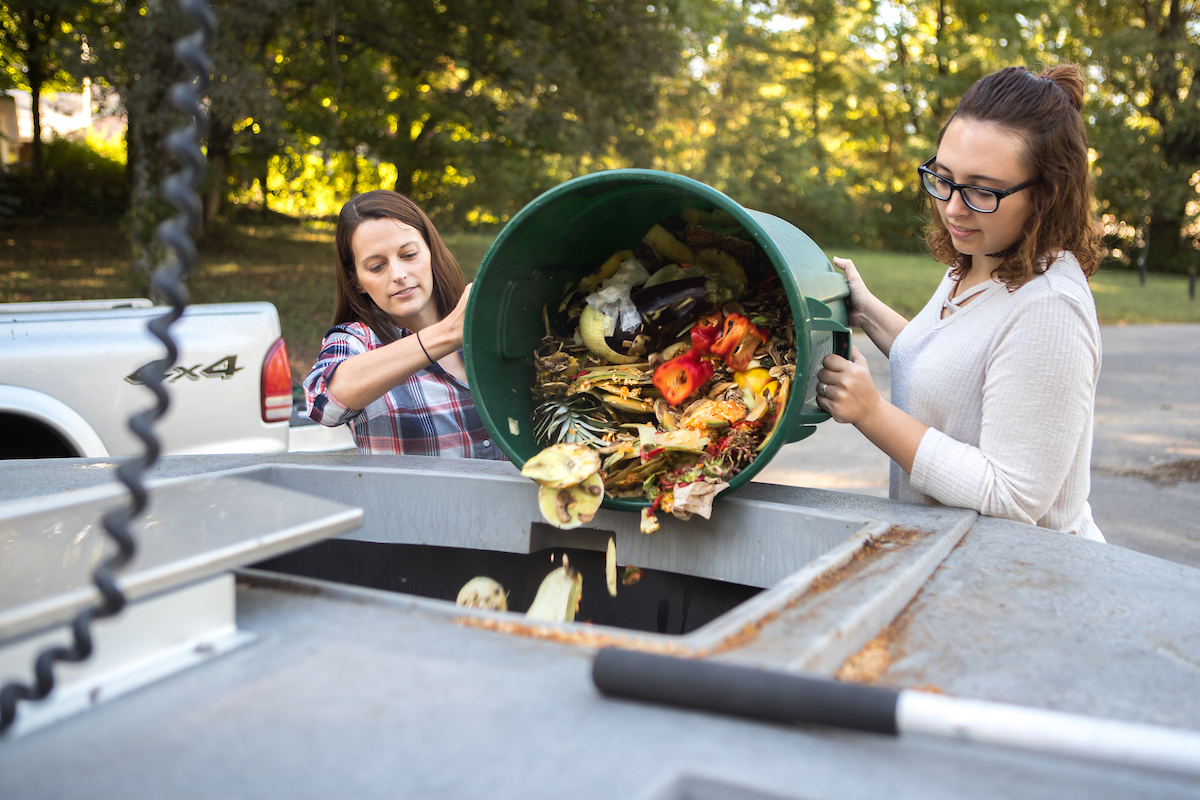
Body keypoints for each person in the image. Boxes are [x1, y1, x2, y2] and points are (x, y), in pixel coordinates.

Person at [816, 64, 1104, 541]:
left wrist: (871, 412)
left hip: (1026, 584)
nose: (952, 206)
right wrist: (863, 309)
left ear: (1047, 196)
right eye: (944, 178)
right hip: (948, 559)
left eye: (981, 190)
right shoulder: (978, 260)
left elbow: (1012, 497)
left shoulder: (1051, 308)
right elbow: (952, 368)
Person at [303, 190, 503, 459]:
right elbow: (323, 404)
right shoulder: (356, 341)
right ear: (357, 281)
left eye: (408, 255)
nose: (398, 275)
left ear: (431, 252)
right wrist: (447, 334)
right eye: (376, 267)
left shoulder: (489, 327)